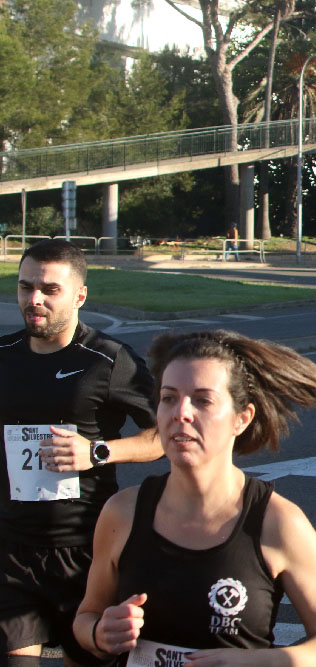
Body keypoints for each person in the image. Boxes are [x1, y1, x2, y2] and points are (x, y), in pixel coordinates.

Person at [73, 330, 316, 665]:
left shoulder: (277, 523)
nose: (180, 412)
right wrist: (99, 633)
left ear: (242, 418)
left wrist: (254, 662)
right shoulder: (122, 512)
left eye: (202, 400)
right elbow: (87, 616)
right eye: (168, 398)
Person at [0, 239, 161, 666]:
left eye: (49, 290)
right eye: (25, 287)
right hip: (13, 548)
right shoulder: (3, 356)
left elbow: (164, 434)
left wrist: (98, 452)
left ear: (79, 295)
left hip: (86, 549)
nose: (34, 299)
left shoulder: (108, 360)